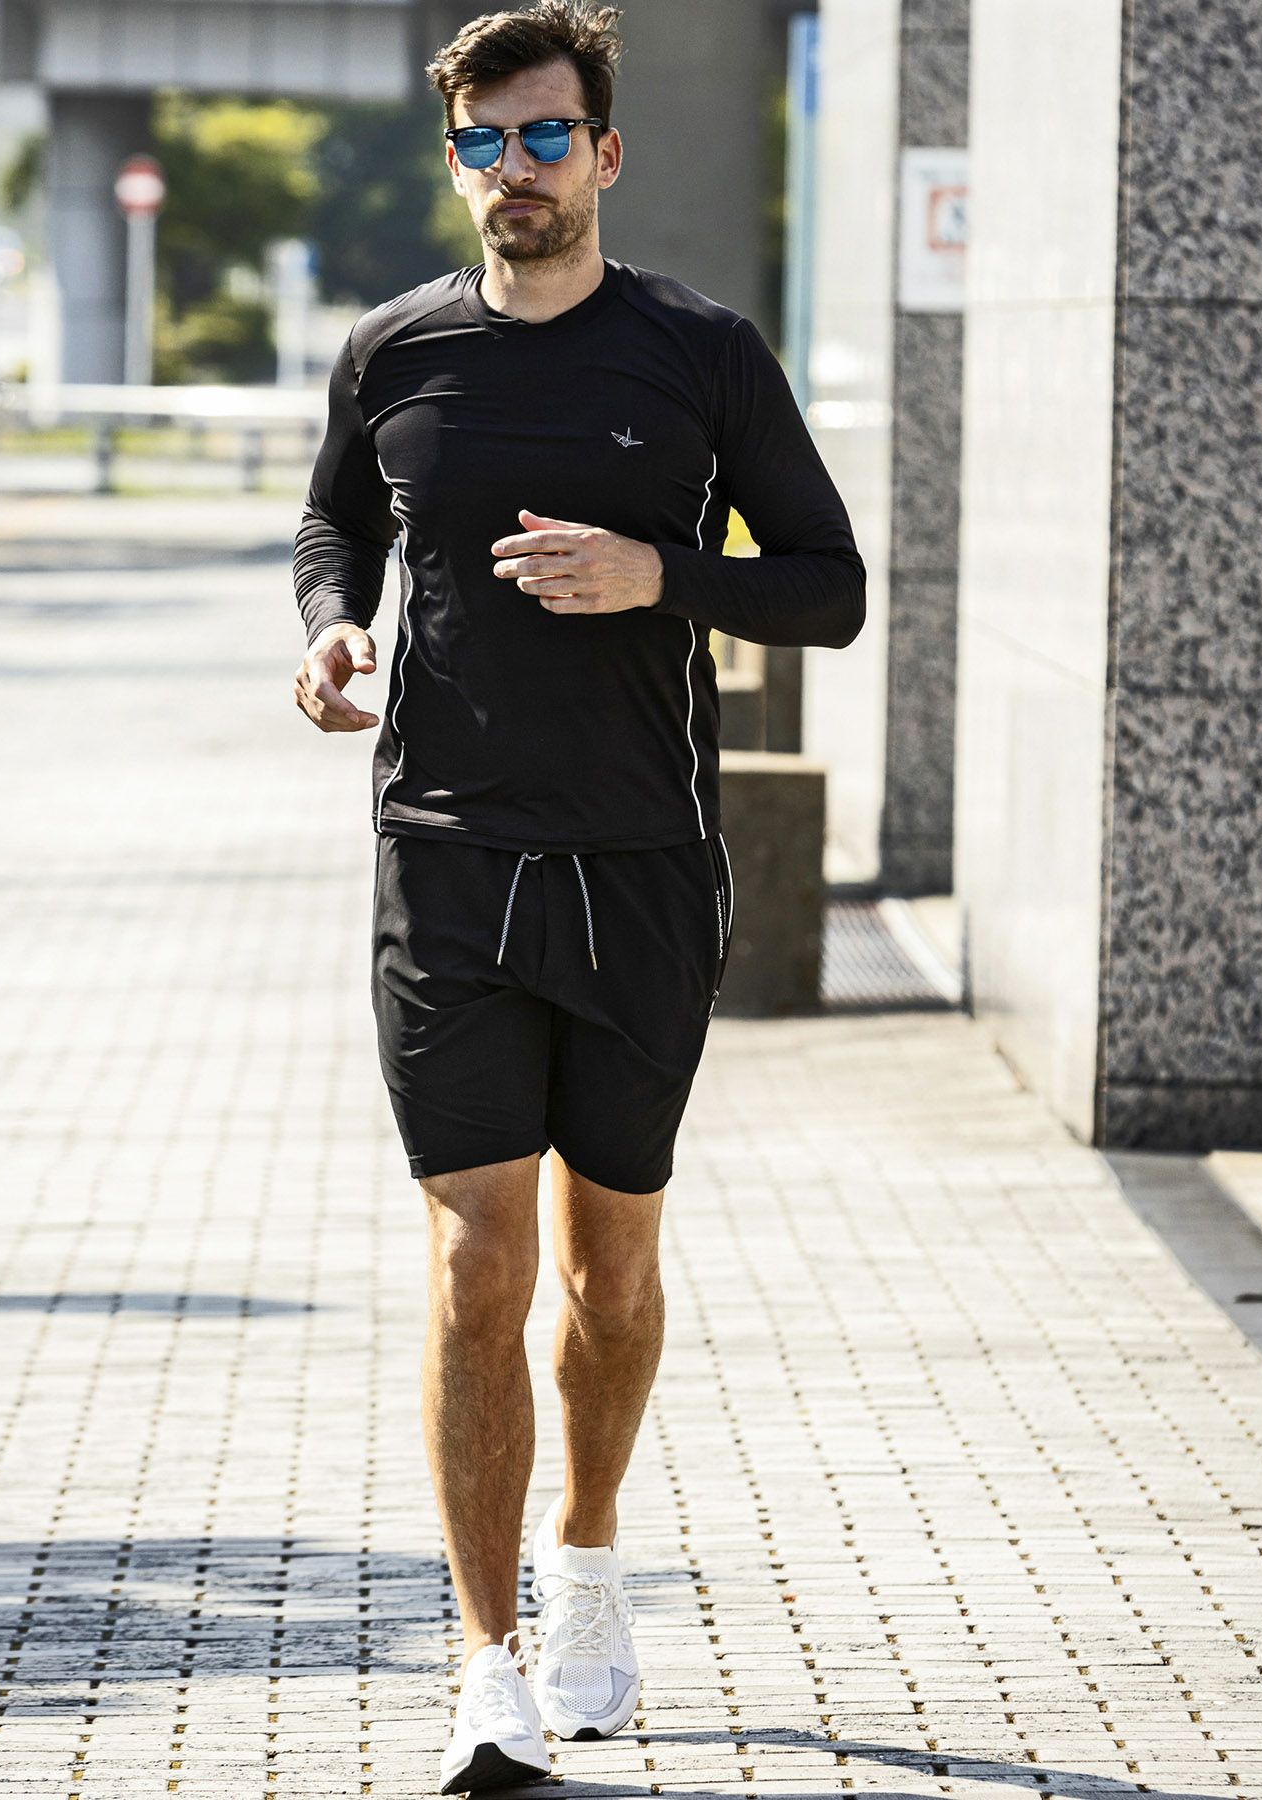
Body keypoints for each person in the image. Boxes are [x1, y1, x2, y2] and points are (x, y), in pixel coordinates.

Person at [291, 2, 865, 1790]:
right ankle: (488, 1669)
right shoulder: (393, 351)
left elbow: (831, 586)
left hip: (641, 872)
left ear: (605, 153)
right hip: (447, 866)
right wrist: (332, 627)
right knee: (480, 1263)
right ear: (454, 160)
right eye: (484, 143)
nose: (515, 171)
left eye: (545, 137)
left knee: (610, 1273)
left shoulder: (701, 354)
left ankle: (589, 1563)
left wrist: (661, 574)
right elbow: (333, 525)